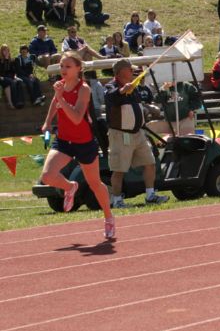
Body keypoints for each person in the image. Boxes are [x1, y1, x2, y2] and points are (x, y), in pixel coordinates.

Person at [40, 52, 114, 237]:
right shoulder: (61, 86)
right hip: (64, 141)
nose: (63, 70)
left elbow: (76, 118)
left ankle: (108, 218)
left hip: (84, 143)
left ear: (78, 69)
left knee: (95, 183)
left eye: (67, 66)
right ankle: (70, 187)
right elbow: (54, 102)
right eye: (61, 66)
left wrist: (61, 96)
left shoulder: (84, 89)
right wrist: (48, 121)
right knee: (47, 176)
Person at [104, 58, 169, 208]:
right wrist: (122, 90)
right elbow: (111, 96)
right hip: (121, 135)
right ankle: (117, 200)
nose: (133, 71)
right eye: (130, 69)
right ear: (121, 72)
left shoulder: (134, 87)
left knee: (150, 163)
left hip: (138, 133)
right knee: (119, 169)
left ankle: (150, 195)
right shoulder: (111, 86)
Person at [0, 44, 26, 109]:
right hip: (2, 77)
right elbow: (2, 72)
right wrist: (5, 60)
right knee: (12, 82)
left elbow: (13, 71)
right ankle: (15, 102)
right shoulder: (0, 60)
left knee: (19, 81)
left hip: (10, 77)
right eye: (4, 51)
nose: (6, 52)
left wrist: (15, 76)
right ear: (1, 52)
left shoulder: (11, 60)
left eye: (7, 50)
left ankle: (20, 101)